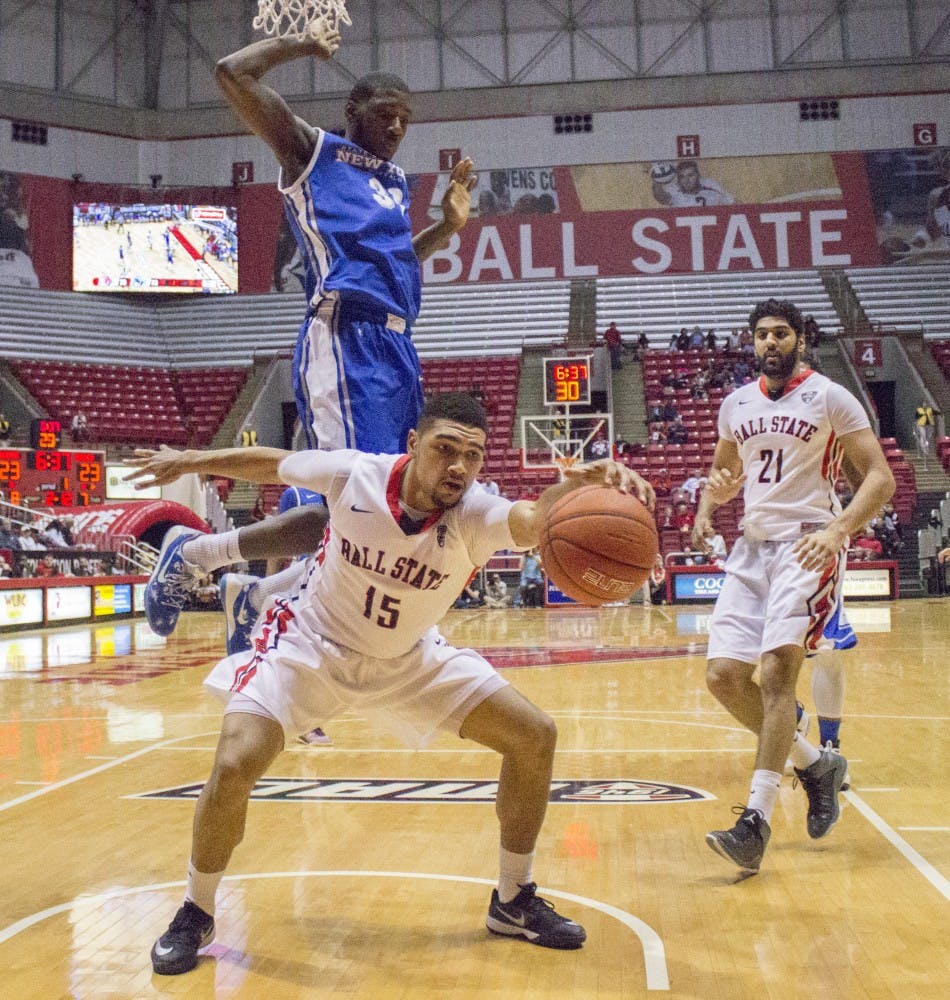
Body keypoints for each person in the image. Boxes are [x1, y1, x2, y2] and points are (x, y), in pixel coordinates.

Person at [127, 393, 654, 974]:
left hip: (408, 660)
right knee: (233, 763)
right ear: (413, 446)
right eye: (444, 449)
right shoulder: (355, 475)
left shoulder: (476, 514)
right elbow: (273, 462)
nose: (457, 467)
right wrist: (192, 461)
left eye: (472, 456)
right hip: (309, 648)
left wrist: (578, 492)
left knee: (534, 736)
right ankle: (195, 909)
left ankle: (512, 900)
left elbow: (535, 522)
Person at [143, 27, 478, 648]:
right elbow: (230, 72)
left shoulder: (394, 181)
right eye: (385, 115)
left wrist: (446, 228)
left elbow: (393, 260)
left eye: (406, 118)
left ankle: (261, 597)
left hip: (398, 347)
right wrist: (301, 45)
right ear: (352, 113)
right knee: (357, 500)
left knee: (393, 506)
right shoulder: (311, 152)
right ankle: (196, 556)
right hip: (345, 339)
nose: (398, 127)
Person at [692, 297, 895, 873]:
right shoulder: (735, 404)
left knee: (779, 673)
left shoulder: (831, 396)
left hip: (808, 543)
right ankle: (814, 762)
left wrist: (839, 529)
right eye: (761, 335)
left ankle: (755, 821)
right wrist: (711, 504)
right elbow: (723, 471)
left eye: (781, 334)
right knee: (724, 678)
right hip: (752, 546)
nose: (770, 343)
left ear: (800, 339)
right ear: (751, 342)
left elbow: (878, 478)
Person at [651, 159, 735, 208]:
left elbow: (733, 204)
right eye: (682, 177)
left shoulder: (710, 185)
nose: (686, 181)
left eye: (690, 175)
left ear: (698, 175)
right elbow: (661, 197)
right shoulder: (675, 190)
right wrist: (657, 179)